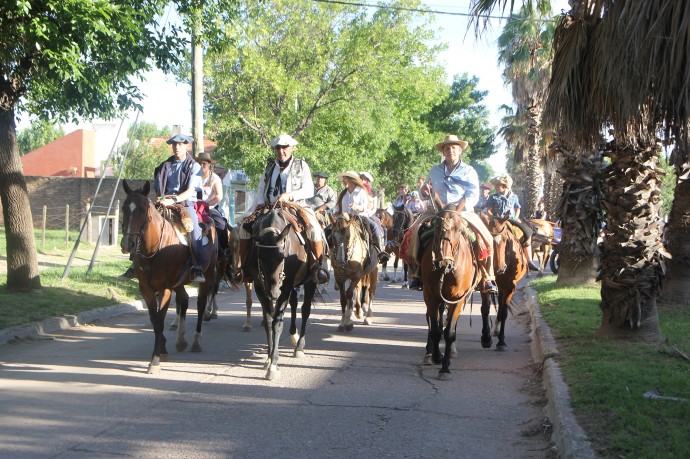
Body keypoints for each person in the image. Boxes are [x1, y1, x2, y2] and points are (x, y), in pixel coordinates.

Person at [407, 135, 497, 293]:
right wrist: (424, 191)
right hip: (436, 211)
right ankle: (416, 273)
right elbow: (424, 192)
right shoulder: (434, 171)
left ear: (460, 151)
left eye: (453, 148)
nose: (450, 151)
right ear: (443, 151)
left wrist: (459, 208)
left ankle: (487, 276)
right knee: (413, 232)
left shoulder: (469, 171)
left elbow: (473, 195)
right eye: (447, 148)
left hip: (462, 211)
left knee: (486, 238)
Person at [235, 133, 329, 284]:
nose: (281, 151)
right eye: (278, 148)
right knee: (244, 228)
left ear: (292, 148)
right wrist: (259, 203)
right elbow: (260, 189)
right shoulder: (270, 166)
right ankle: (244, 268)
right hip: (269, 206)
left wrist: (289, 196)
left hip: (295, 205)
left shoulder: (301, 165)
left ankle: (318, 267)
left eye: (284, 148)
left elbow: (309, 190)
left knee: (314, 229)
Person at [154, 133, 208, 282]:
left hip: (185, 203)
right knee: (144, 220)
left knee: (193, 228)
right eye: (174, 145)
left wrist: (174, 200)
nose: (176, 147)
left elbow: (191, 191)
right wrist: (161, 199)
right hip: (164, 202)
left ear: (186, 146)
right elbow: (158, 190)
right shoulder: (164, 166)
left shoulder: (195, 166)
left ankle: (198, 266)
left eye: (180, 144)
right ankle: (136, 263)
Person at [484, 174, 541, 271]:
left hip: (510, 220)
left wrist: (516, 217)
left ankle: (529, 260)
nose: (496, 187)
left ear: (504, 186)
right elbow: (488, 211)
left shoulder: (514, 197)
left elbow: (517, 208)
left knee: (527, 232)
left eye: (498, 185)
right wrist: (492, 217)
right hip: (496, 221)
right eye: (496, 185)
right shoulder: (493, 197)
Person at [336, 171, 390, 263]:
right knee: (330, 230)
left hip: (360, 218)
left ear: (352, 180)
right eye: (343, 180)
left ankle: (380, 251)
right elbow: (339, 209)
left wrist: (356, 207)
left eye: (345, 179)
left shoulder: (361, 191)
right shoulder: (343, 194)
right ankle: (330, 252)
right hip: (346, 219)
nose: (343, 182)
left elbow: (364, 207)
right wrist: (337, 213)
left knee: (375, 227)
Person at [197, 152, 230, 260]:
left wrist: (206, 205)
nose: (201, 166)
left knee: (221, 224)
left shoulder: (215, 178)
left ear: (209, 164)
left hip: (209, 208)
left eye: (204, 164)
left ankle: (224, 250)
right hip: (193, 207)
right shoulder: (193, 177)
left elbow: (219, 196)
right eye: (199, 163)